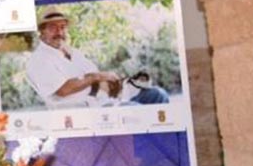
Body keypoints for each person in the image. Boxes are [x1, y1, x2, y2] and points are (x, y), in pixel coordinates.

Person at [24, 6, 169, 108]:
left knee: (158, 95)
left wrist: (114, 83)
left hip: (109, 99)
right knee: (139, 111)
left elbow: (95, 75)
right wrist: (96, 77)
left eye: (62, 27)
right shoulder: (38, 60)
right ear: (41, 32)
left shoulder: (73, 52)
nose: (59, 32)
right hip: (86, 111)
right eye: (53, 27)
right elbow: (63, 89)